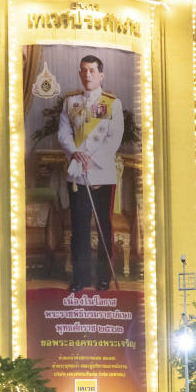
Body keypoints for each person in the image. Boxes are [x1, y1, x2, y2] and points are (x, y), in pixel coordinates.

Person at [57, 53, 124, 292]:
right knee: (80, 228)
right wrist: (76, 153)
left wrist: (91, 160)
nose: (88, 75)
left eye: (92, 71)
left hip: (102, 174)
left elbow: (114, 139)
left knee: (104, 226)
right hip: (77, 174)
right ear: (79, 73)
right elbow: (63, 134)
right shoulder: (70, 102)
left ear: (101, 74)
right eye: (84, 70)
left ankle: (103, 278)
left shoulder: (112, 103)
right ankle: (81, 277)